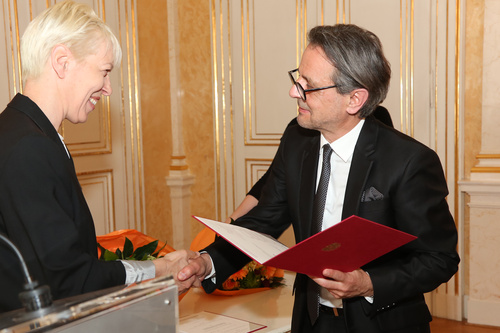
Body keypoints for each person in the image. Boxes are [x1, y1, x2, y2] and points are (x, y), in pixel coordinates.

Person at [179, 24, 459, 333]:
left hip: (381, 322)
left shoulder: (409, 161)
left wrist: (367, 284)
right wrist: (209, 261)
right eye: (297, 77)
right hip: (310, 320)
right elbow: (263, 220)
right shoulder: (297, 139)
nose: (293, 91)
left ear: (354, 99)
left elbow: (439, 258)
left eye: (308, 85)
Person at [0, 0, 197, 312]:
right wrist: (160, 269)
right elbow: (69, 281)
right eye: (104, 71)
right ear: (62, 61)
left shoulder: (24, 132)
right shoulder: (29, 147)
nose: (107, 88)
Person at [226, 105, 393, 224]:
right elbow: (269, 182)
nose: (297, 93)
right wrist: (232, 221)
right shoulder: (298, 129)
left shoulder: (378, 119)